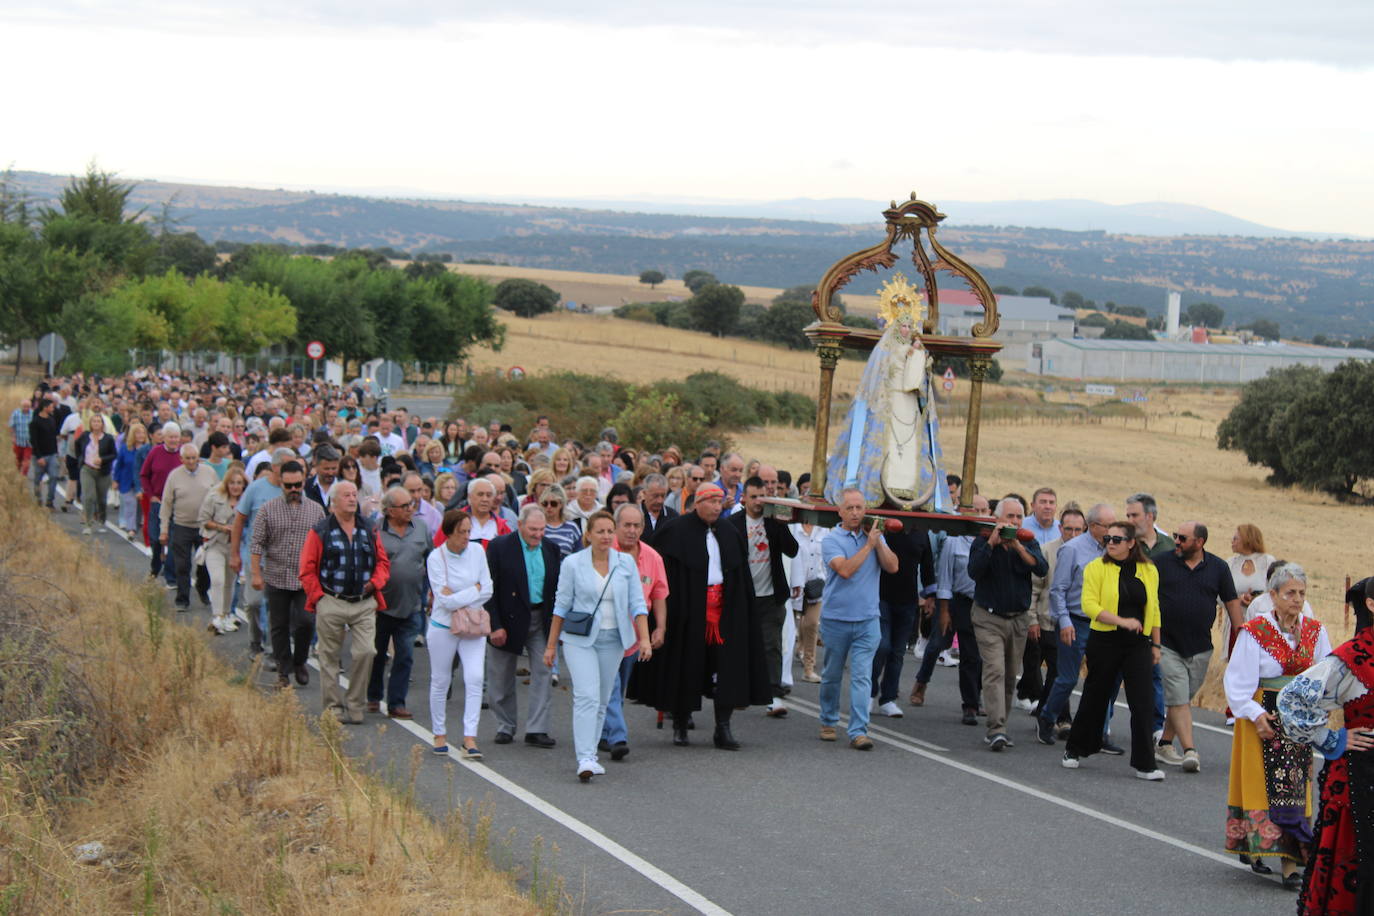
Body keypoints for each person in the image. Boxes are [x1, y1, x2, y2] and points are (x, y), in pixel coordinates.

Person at [628, 483, 771, 750]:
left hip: (723, 612)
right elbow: (661, 575)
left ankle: (723, 728)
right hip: (688, 611)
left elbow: (740, 576)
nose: (717, 507)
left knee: (726, 669)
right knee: (686, 665)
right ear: (697, 503)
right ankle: (681, 724)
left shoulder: (730, 532)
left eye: (720, 502)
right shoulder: (675, 531)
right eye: (711, 501)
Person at [1222, 563, 1332, 888]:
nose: (1297, 600)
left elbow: (1325, 673)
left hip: (1296, 719)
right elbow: (1239, 680)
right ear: (1273, 596)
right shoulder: (1255, 632)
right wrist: (1255, 714)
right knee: (1261, 785)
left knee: (1295, 790)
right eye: (1290, 594)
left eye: (1301, 593)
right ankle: (1256, 848)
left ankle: (1291, 862)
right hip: (1262, 716)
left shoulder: (1314, 631)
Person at [1278, 576, 1374, 914]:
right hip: (1363, 781)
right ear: (1372, 605)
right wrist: (1332, 738)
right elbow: (1291, 700)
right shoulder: (1352, 658)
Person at [544, 510, 652, 781]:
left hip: (614, 639)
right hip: (580, 640)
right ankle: (585, 759)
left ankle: (591, 754)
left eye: (609, 531)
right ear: (588, 535)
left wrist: (645, 638)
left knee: (603, 698)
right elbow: (561, 604)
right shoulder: (573, 563)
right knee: (586, 696)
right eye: (600, 531)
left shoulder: (625, 563)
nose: (605, 536)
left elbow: (637, 603)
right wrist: (550, 646)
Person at [1060, 522, 1165, 780]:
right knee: (1096, 696)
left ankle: (1145, 764)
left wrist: (1156, 643)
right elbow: (1089, 606)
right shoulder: (1097, 567)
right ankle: (1074, 749)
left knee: (1142, 701)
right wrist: (1122, 621)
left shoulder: (1148, 569)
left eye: (1117, 539)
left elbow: (1155, 608)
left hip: (1138, 644)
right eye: (1108, 538)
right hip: (1105, 640)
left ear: (1131, 543)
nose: (1111, 543)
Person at [299, 480, 390, 723]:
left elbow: (382, 562)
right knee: (329, 656)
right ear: (334, 502)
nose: (352, 499)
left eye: (354, 495)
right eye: (346, 495)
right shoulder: (320, 530)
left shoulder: (369, 529)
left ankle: (355, 703)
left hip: (363, 602)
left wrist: (376, 582)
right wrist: (318, 598)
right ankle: (333, 707)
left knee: (366, 651)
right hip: (331, 599)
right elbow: (307, 568)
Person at [1155, 521, 1242, 772]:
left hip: (1200, 647)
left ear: (1199, 542)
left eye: (1182, 538)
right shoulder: (1161, 563)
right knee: (1178, 695)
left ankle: (1164, 742)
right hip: (1167, 643)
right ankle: (1190, 750)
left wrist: (1243, 634)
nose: (1177, 542)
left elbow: (1231, 601)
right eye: (1175, 536)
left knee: (1181, 698)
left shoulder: (1218, 567)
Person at [817, 488, 899, 750]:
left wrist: (877, 544)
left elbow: (893, 566)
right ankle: (829, 719)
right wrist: (868, 546)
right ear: (840, 511)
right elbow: (845, 570)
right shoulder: (832, 539)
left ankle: (858, 731)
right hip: (836, 618)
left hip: (867, 619)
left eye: (859, 508)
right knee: (831, 674)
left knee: (863, 676)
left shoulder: (873, 536)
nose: (855, 513)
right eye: (850, 508)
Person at [966, 497, 1047, 750]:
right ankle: (996, 728)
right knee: (995, 671)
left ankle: (1001, 724)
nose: (1014, 522)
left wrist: (1018, 546)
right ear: (997, 519)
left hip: (1018, 619)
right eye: (1010, 517)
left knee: (1011, 675)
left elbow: (1041, 568)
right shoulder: (982, 541)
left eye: (1019, 517)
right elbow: (974, 571)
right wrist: (993, 542)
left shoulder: (1028, 541)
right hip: (988, 616)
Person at [484, 504, 563, 749]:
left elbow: (556, 587)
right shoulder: (499, 547)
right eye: (533, 530)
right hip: (508, 620)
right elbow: (489, 589)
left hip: (540, 618)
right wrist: (494, 625)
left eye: (542, 529)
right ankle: (505, 726)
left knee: (543, 672)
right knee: (501, 676)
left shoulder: (551, 549)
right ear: (519, 526)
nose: (538, 534)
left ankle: (537, 729)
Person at [1038, 503, 1117, 745]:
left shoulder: (1115, 550)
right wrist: (1064, 622)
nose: (1113, 531)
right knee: (1068, 678)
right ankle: (1047, 717)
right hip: (1076, 620)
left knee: (1104, 678)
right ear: (1093, 527)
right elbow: (1058, 589)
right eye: (1108, 526)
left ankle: (1099, 732)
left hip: (1103, 624)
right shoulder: (1072, 550)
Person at [599, 504, 669, 760]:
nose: (631, 530)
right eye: (626, 525)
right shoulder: (602, 554)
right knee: (610, 685)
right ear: (616, 526)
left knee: (618, 686)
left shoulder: (652, 557)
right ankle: (617, 736)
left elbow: (659, 595)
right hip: (605, 632)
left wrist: (659, 627)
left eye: (636, 526)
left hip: (635, 636)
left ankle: (604, 732)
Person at [911, 493, 990, 716]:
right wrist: (944, 609)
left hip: (979, 605)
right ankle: (921, 681)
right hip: (954, 601)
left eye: (985, 510)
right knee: (938, 643)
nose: (981, 515)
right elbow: (944, 577)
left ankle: (972, 703)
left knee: (972, 654)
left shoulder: (990, 541)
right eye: (976, 510)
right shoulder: (954, 540)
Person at [250, 460, 326, 689]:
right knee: (279, 625)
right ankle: (283, 671)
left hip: (305, 579)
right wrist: (256, 574)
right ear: (280, 483)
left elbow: (324, 545)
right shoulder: (267, 509)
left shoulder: (316, 510)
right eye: (288, 485)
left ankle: (300, 660)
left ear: (304, 482)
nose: (294, 490)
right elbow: (256, 544)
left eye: (298, 485)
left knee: (305, 622)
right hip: (276, 575)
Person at [426, 510, 494, 759]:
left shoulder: (477, 552)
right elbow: (442, 601)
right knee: (440, 680)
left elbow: (487, 588)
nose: (467, 536)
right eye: (461, 532)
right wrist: (472, 590)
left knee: (475, 678)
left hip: (473, 625)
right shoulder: (436, 557)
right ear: (449, 533)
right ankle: (439, 733)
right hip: (444, 626)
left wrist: (460, 595)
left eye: (469, 531)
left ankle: (469, 737)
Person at [729, 477, 799, 717]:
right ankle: (740, 692)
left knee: (771, 646)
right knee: (741, 645)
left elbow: (792, 550)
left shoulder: (773, 522)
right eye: (754, 497)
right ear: (744, 499)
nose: (758, 502)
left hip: (771, 595)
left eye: (762, 496)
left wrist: (781, 525)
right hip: (743, 596)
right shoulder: (733, 523)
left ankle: (774, 696)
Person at [368, 486, 431, 720]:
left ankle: (397, 702)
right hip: (381, 605)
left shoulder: (421, 528)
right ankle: (373, 695)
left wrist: (433, 591)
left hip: (412, 604)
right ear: (389, 511)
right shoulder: (375, 530)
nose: (410, 509)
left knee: (405, 655)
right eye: (405, 506)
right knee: (377, 654)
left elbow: (431, 560)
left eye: (411, 504)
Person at [1020, 507, 1085, 716]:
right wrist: (1032, 620)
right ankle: (1055, 715)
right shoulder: (1047, 550)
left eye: (1077, 530)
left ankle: (1047, 711)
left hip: (1075, 623)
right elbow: (1034, 588)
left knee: (1060, 673)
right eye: (1068, 529)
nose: (1073, 534)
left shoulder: (1092, 554)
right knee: (1052, 670)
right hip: (1047, 620)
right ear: (1060, 528)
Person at [871, 517, 935, 718]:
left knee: (897, 652)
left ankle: (888, 699)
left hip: (908, 600)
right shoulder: (886, 527)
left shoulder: (921, 532)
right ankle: (869, 694)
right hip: (880, 596)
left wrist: (930, 595)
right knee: (882, 646)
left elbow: (927, 566)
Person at [160, 443, 218, 611]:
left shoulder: (209, 473)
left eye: (194, 458)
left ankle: (202, 588)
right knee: (182, 565)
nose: (192, 462)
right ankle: (182, 599)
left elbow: (217, 496)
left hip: (204, 526)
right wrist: (164, 529)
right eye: (188, 458)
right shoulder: (174, 476)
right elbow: (167, 504)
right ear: (181, 459)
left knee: (205, 564)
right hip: (182, 526)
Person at [198, 466, 247, 635]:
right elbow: (203, 519)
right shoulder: (214, 496)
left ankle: (226, 614)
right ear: (227, 484)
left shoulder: (247, 501)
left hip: (236, 548)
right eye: (232, 483)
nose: (235, 486)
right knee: (217, 579)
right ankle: (217, 616)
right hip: (216, 543)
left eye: (239, 483)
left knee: (230, 582)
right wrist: (222, 527)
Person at [141, 421, 185, 586]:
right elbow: (144, 474)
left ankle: (171, 576)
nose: (174, 440)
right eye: (170, 437)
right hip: (158, 502)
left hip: (176, 504)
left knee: (173, 540)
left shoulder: (183, 454)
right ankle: (155, 566)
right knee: (155, 539)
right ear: (164, 438)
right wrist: (150, 495)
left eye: (176, 437)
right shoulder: (155, 452)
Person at [790, 517, 828, 683]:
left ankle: (809, 668)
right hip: (792, 585)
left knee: (811, 624)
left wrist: (824, 578)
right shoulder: (792, 527)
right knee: (788, 628)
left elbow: (827, 557)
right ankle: (780, 670)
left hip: (815, 585)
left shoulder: (824, 529)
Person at [74, 414, 116, 535]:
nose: (96, 424)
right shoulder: (85, 436)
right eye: (94, 421)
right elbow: (77, 446)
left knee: (101, 499)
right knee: (89, 496)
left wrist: (103, 459)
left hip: (103, 472)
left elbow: (114, 454)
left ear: (102, 424)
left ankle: (102, 520)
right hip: (87, 469)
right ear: (90, 424)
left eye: (99, 421)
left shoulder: (108, 438)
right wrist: (80, 459)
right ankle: (88, 523)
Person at [1228, 524, 1276, 623]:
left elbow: (1277, 590)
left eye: (1235, 538)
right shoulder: (1230, 564)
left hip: (1262, 622)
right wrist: (1237, 600)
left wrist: (1256, 599)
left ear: (1247, 540)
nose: (1232, 541)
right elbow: (1220, 595)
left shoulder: (1268, 562)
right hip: (1235, 622)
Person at [113, 422, 148, 538]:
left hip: (142, 483)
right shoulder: (125, 449)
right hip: (127, 481)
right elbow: (119, 465)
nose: (141, 435)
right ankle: (131, 528)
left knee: (140, 508)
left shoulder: (148, 450)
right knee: (130, 504)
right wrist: (116, 480)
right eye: (138, 433)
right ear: (133, 434)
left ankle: (136, 526)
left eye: (143, 433)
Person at [28, 397, 63, 511]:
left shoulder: (52, 419)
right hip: (40, 455)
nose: (53, 408)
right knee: (38, 478)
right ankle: (38, 499)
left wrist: (57, 452)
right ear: (45, 407)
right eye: (51, 406)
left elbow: (53, 436)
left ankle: (50, 501)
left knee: (53, 476)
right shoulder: (35, 422)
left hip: (52, 453)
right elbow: (34, 440)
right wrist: (39, 457)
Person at [537, 484, 582, 557]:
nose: (549, 507)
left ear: (561, 504)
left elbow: (579, 553)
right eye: (545, 504)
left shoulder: (572, 527)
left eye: (553, 503)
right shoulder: (537, 526)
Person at [1125, 493, 1174, 557]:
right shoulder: (1124, 545)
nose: (1130, 521)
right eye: (1128, 516)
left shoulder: (1169, 544)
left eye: (1135, 515)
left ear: (1150, 516)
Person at [639, 472, 677, 542]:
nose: (660, 501)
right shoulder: (634, 515)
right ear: (644, 493)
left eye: (663, 496)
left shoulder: (673, 516)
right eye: (655, 496)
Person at [9, 398, 32, 476]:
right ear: (21, 406)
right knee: (18, 459)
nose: (26, 408)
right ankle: (18, 472)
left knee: (27, 460)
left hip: (29, 442)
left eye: (28, 406)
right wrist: (13, 437)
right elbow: (12, 426)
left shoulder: (33, 414)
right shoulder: (16, 413)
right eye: (24, 406)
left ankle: (23, 476)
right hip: (18, 441)